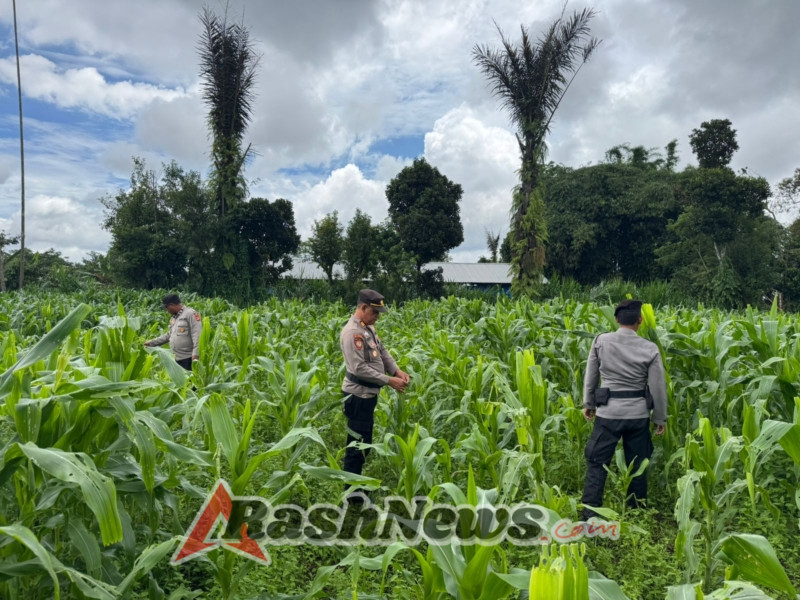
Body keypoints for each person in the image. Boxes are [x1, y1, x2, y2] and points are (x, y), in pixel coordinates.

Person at [580, 299, 667, 520]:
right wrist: (660, 418)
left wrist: (588, 404)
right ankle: (637, 512)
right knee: (638, 463)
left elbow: (591, 377)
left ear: (616, 319)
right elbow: (658, 386)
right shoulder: (650, 348)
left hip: (608, 413)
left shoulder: (601, 341)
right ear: (640, 320)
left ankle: (590, 514)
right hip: (638, 414)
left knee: (597, 462)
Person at [340, 289, 410, 479]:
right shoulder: (353, 332)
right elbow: (359, 368)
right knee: (356, 447)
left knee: (364, 443)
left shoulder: (367, 327)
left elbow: (382, 351)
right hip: (357, 397)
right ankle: (353, 495)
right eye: (375, 312)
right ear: (363, 307)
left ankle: (356, 485)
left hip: (367, 395)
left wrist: (396, 371)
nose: (377, 317)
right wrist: (389, 380)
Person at [144, 294, 202, 371]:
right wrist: (151, 343)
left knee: (188, 382)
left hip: (188, 359)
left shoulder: (190, 314)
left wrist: (195, 356)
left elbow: (197, 335)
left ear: (171, 305)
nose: (166, 310)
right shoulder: (174, 318)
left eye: (166, 307)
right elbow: (169, 335)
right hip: (175, 359)